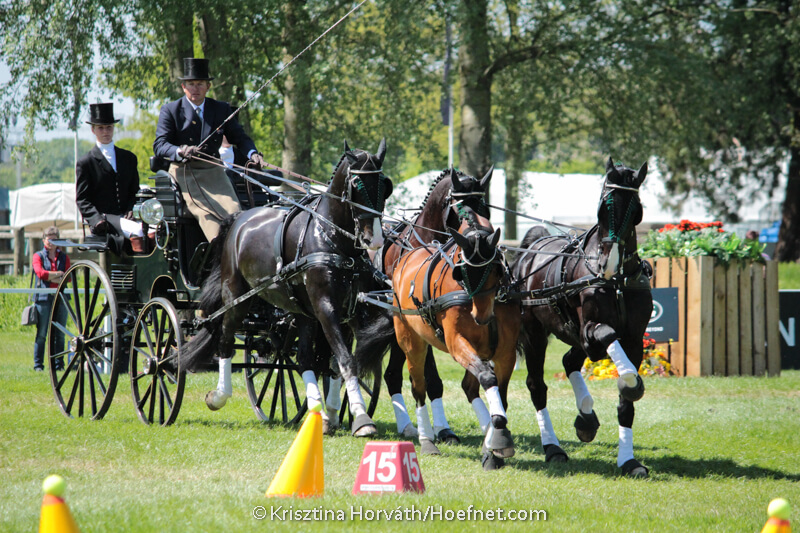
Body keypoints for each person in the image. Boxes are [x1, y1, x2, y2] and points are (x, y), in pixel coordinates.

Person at [153, 57, 264, 241]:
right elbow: (160, 145)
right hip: (185, 172)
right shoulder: (171, 110)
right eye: (191, 84)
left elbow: (240, 137)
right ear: (183, 87)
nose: (195, 89)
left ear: (208, 86)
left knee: (234, 214)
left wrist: (252, 154)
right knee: (208, 218)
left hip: (214, 171)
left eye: (200, 84)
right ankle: (218, 251)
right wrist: (180, 151)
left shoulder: (221, 109)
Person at [76, 102, 146, 254]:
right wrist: (96, 220)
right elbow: (82, 199)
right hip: (105, 219)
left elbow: (135, 191)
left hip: (128, 216)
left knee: (157, 229)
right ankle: (142, 264)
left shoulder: (129, 158)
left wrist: (131, 209)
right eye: (101, 128)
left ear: (113, 128)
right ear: (93, 130)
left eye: (109, 127)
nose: (105, 132)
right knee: (136, 230)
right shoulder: (86, 162)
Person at [32, 226, 70, 372]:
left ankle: (59, 365)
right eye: (49, 239)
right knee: (42, 333)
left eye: (54, 239)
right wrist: (58, 274)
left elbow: (68, 277)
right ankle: (38, 365)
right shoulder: (38, 256)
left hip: (61, 296)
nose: (51, 242)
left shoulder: (64, 257)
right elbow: (40, 273)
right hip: (43, 297)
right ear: (44, 240)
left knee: (60, 333)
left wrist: (51, 276)